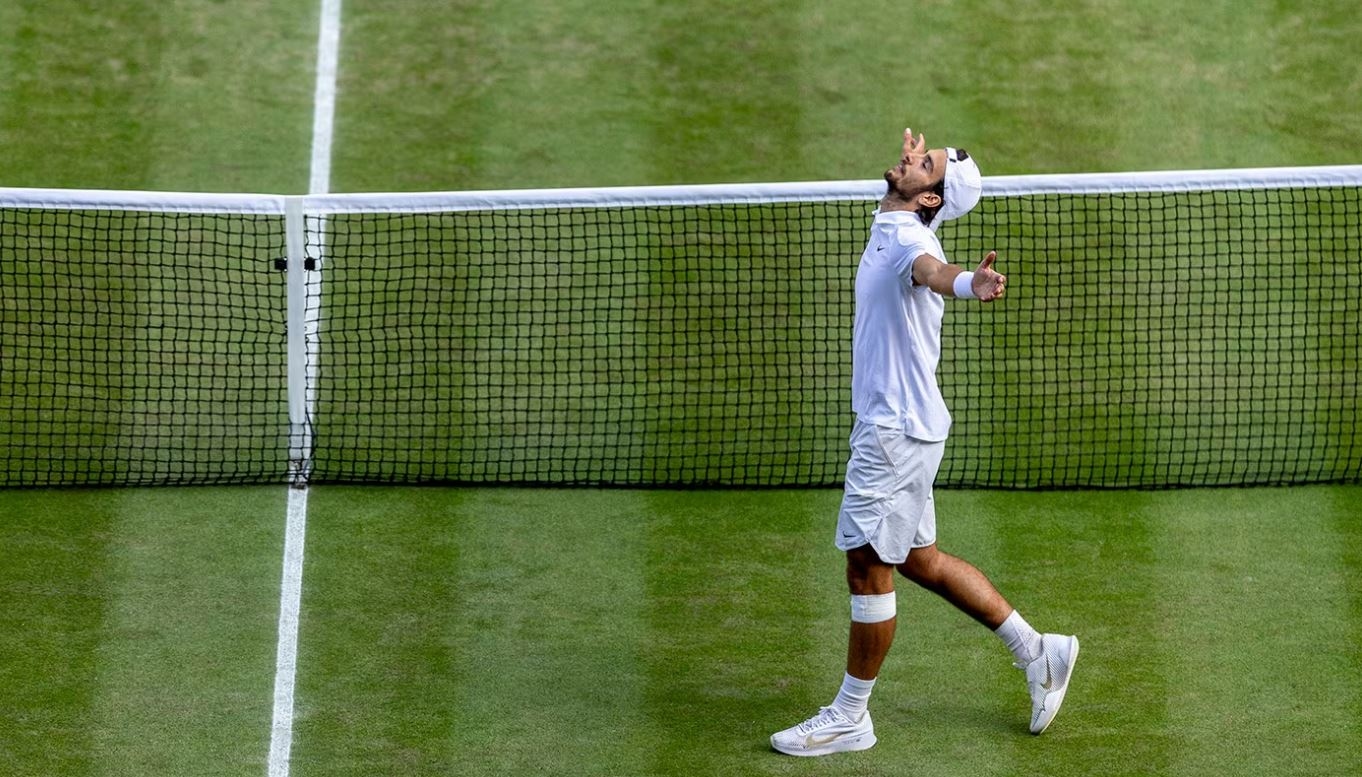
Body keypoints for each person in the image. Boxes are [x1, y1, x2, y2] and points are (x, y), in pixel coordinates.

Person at [770, 128, 1079, 757]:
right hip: (904, 426)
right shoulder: (894, 225)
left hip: (894, 434)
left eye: (925, 162)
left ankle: (851, 716)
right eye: (920, 151)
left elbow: (933, 272)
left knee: (866, 563)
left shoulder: (911, 239)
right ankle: (1039, 650)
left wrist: (971, 284)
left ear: (932, 199)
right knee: (920, 560)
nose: (911, 157)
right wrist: (920, 173)